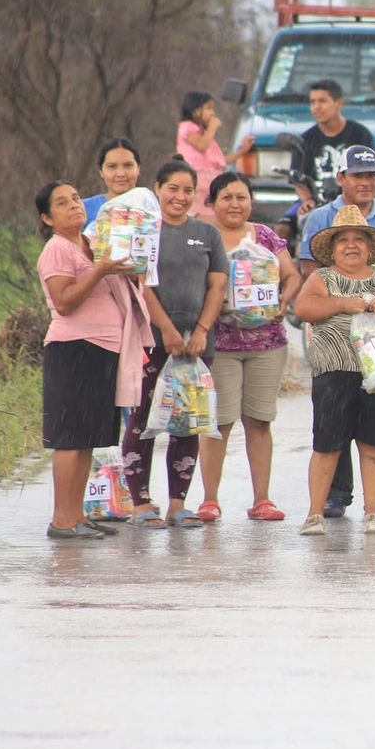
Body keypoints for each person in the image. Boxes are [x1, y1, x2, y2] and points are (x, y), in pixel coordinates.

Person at [298, 145, 375, 518]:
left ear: (372, 248)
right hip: (334, 362)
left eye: (360, 240)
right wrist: (342, 303)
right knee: (331, 435)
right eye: (343, 240)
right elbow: (304, 302)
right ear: (341, 179)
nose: (352, 245)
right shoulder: (322, 260)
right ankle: (330, 501)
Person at [34, 181, 149, 539]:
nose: (74, 206)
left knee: (85, 439)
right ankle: (62, 520)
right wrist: (100, 271)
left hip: (102, 349)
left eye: (76, 199)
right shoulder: (57, 250)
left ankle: (77, 515)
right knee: (68, 439)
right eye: (62, 204)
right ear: (47, 218)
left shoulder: (92, 242)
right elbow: (65, 302)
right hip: (74, 348)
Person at [122, 159, 229, 529]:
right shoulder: (145, 232)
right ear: (157, 188)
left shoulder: (209, 234)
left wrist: (201, 330)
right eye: (173, 189)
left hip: (198, 345)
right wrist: (165, 329)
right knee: (143, 420)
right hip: (151, 340)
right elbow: (142, 284)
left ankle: (178, 504)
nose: (180, 197)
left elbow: (217, 286)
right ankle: (140, 503)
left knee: (187, 420)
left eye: (188, 190)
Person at [194, 172, 303, 523]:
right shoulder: (203, 238)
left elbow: (292, 275)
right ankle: (210, 500)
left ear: (251, 201)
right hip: (220, 344)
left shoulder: (265, 236)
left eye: (241, 197)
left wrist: (284, 300)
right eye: (226, 197)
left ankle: (263, 500)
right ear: (211, 203)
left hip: (267, 342)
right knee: (220, 422)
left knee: (259, 420)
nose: (235, 204)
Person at [292, 79, 375, 214]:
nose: (316, 107)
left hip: (353, 203)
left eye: (322, 101)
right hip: (314, 202)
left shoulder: (361, 135)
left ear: (339, 103)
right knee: (284, 227)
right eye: (313, 102)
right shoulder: (305, 140)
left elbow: (369, 175)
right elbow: (298, 180)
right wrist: (307, 200)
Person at [176, 91, 255, 205]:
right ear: (195, 111)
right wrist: (212, 127)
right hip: (198, 178)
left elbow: (221, 160)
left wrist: (242, 151)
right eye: (208, 108)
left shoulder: (204, 134)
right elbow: (202, 145)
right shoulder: (188, 127)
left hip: (211, 179)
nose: (213, 113)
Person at [82, 137, 141, 224]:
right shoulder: (83, 209)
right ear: (101, 171)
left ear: (138, 169)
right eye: (112, 167)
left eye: (128, 165)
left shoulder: (153, 209)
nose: (121, 174)